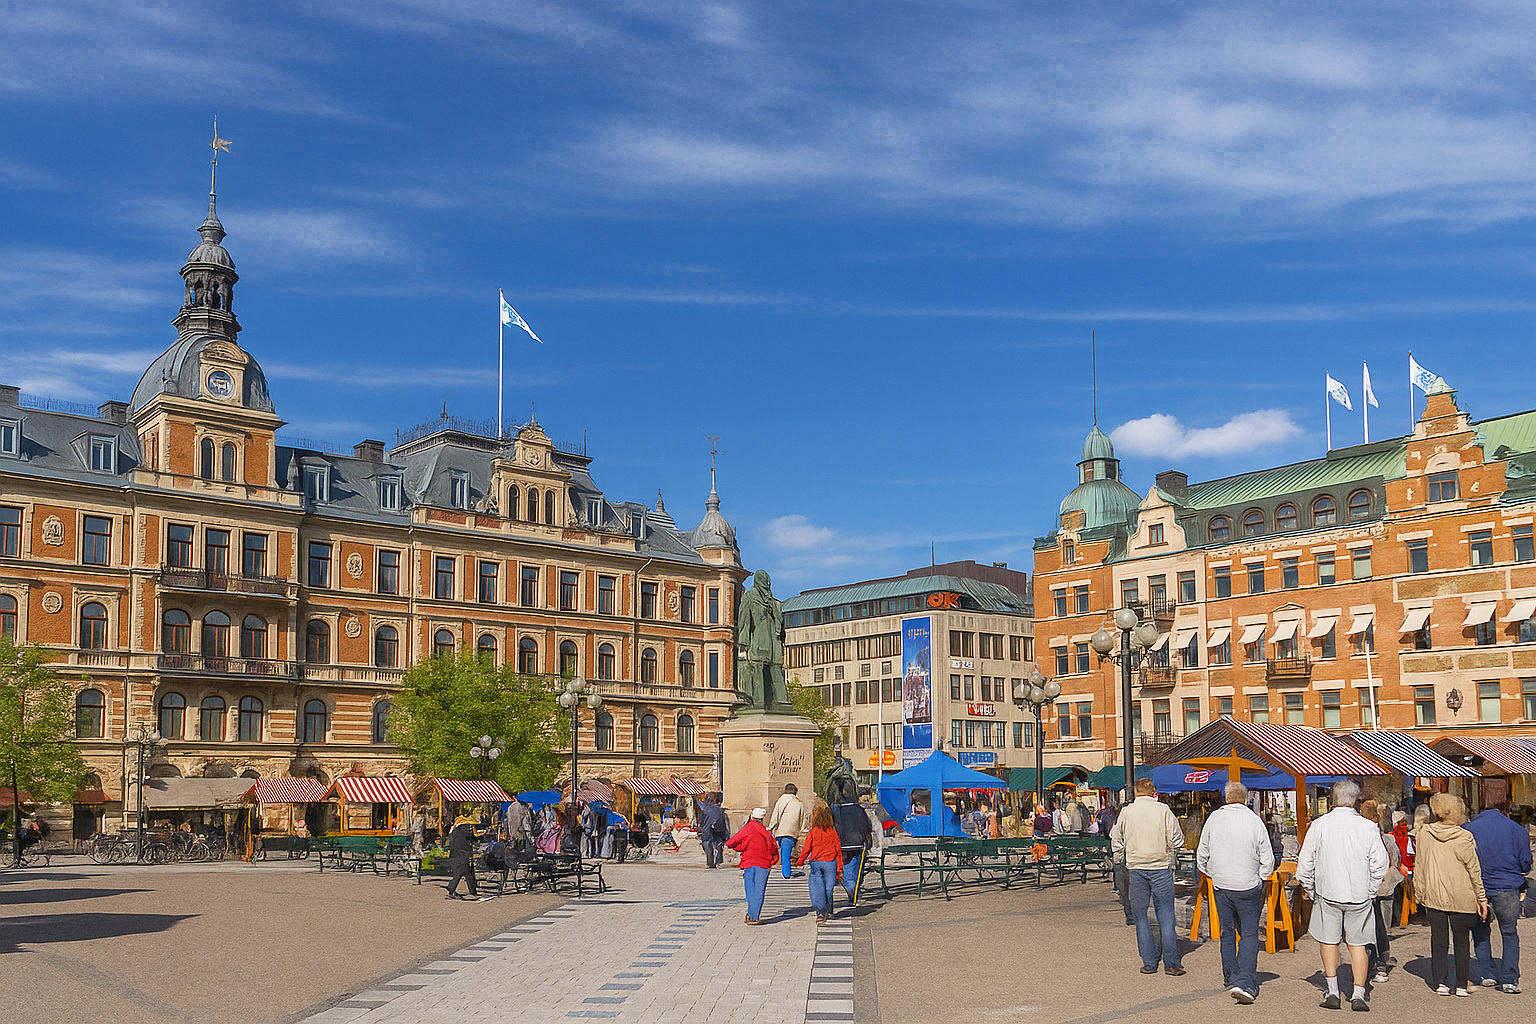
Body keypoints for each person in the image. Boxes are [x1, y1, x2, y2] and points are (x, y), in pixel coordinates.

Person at [1296, 780, 1388, 1010]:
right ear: (1356, 800)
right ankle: (1358, 993)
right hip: (1359, 894)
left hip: (1328, 891)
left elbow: (1305, 863)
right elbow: (1380, 863)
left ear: (1333, 799)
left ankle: (1333, 990)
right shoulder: (1367, 827)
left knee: (1329, 941)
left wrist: (1311, 888)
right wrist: (1370, 890)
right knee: (1358, 944)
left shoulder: (1319, 825)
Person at [1196, 781, 1274, 1004]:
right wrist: (1262, 877)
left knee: (1227, 931)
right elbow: (1266, 855)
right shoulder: (1253, 820)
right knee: (1249, 934)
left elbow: (1202, 852)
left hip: (1222, 883)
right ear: (1246, 798)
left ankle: (1230, 975)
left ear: (1226, 796)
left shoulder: (1214, 819)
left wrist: (1211, 872)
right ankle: (1247, 980)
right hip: (1248, 884)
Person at [1416, 792, 1489, 996]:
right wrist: (1482, 899)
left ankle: (1440, 982)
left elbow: (1420, 866)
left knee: (1438, 940)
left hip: (1434, 894)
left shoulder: (1425, 834)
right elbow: (1474, 871)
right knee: (1462, 941)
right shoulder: (1464, 837)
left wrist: (1420, 894)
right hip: (1462, 895)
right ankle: (1461, 984)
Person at [1111, 778, 1186, 976]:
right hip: (1161, 866)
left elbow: (1116, 838)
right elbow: (1178, 838)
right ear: (1154, 792)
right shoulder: (1163, 810)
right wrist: (1170, 851)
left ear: (1136, 792)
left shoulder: (1127, 812)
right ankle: (1171, 962)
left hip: (1136, 867)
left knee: (1141, 916)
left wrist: (1120, 858)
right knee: (1166, 915)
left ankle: (1149, 962)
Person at [1464, 797, 1531, 992]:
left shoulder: (1467, 830)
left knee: (1481, 930)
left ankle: (1487, 973)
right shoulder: (1517, 830)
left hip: (1479, 886)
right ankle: (1509, 978)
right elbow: (1525, 862)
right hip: (1508, 886)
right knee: (1509, 932)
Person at [1357, 798, 1402, 985]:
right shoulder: (1388, 839)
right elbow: (1396, 861)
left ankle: (1369, 963)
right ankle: (1382, 962)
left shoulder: (1360, 837)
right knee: (1383, 926)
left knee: (1366, 928)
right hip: (1385, 887)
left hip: (1366, 889)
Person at [726, 808, 777, 925]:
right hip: (763, 863)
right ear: (762, 819)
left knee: (750, 889)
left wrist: (740, 846)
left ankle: (751, 913)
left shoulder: (748, 828)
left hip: (748, 862)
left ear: (752, 817)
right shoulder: (765, 832)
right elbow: (773, 848)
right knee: (759, 890)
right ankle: (754, 915)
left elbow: (730, 842)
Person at [796, 803, 844, 926]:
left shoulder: (813, 832)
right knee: (829, 888)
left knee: (818, 888)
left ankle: (820, 913)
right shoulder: (833, 832)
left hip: (816, 862)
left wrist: (800, 861)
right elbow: (838, 849)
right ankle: (829, 909)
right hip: (830, 863)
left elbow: (806, 848)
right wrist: (840, 867)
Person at [831, 798, 873, 906]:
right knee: (857, 868)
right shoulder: (859, 810)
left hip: (843, 843)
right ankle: (853, 889)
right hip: (858, 842)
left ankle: (850, 887)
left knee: (847, 867)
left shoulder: (837, 810)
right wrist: (868, 840)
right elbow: (866, 826)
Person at [768, 783, 806, 879]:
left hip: (780, 830)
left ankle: (786, 873)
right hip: (792, 832)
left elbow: (776, 814)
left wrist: (771, 826)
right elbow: (803, 819)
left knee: (784, 852)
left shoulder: (781, 800)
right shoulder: (799, 803)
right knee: (786, 852)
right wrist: (801, 830)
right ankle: (786, 871)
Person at [445, 814, 481, 900]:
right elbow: (474, 840)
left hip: (456, 852)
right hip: (463, 852)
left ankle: (472, 891)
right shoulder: (468, 829)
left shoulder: (456, 830)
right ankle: (452, 889)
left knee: (467, 872)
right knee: (463, 870)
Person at [696, 795, 729, 869]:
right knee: (718, 843)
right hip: (718, 827)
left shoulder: (705, 809)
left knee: (707, 843)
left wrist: (701, 828)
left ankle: (710, 862)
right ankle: (718, 860)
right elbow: (724, 823)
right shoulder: (720, 810)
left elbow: (702, 821)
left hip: (707, 828)